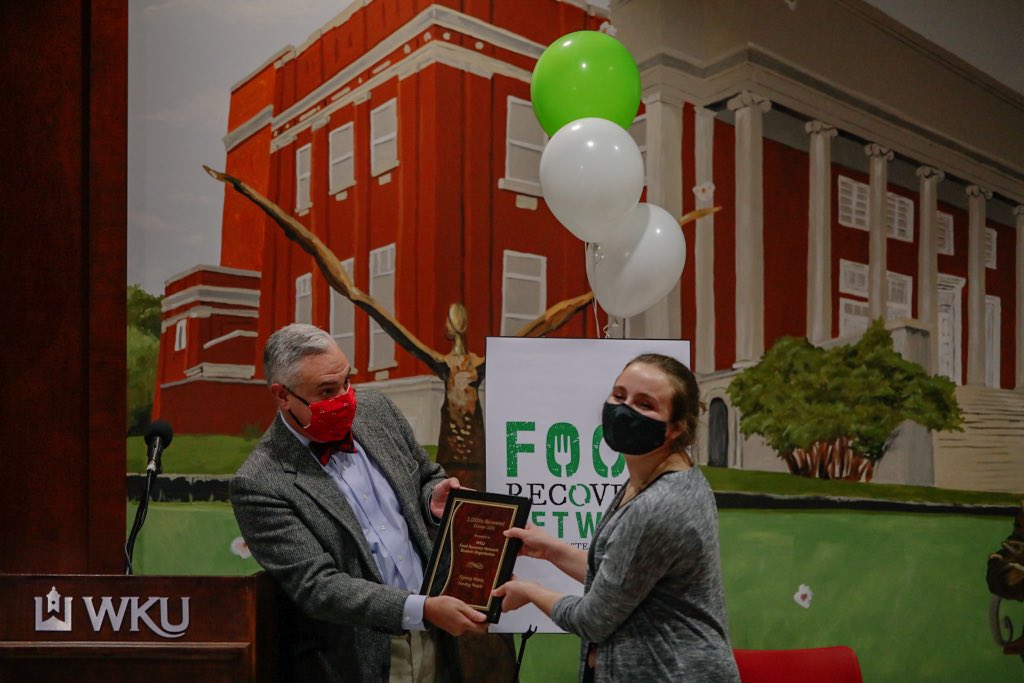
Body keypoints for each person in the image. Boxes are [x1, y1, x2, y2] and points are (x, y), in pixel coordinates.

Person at [230, 323, 487, 683]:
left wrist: (433, 498)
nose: (345, 397)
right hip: (362, 657)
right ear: (283, 395)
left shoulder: (376, 410)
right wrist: (421, 609)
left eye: (347, 381)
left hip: (438, 639)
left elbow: (425, 474)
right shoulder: (260, 482)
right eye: (327, 390)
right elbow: (318, 586)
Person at [493, 353, 739, 682]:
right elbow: (621, 578)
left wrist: (528, 591)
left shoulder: (658, 505)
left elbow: (593, 618)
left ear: (676, 428)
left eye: (645, 405)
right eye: (619, 396)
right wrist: (550, 550)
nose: (624, 410)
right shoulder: (656, 476)